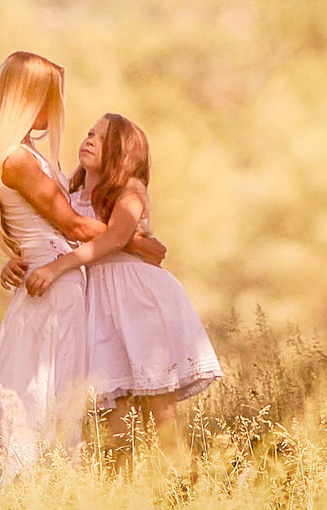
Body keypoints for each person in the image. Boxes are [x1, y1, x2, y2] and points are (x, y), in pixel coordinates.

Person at [0, 53, 164, 476]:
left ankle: (45, 483)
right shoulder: (17, 159)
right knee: (36, 389)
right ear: (30, 98)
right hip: (53, 284)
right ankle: (27, 480)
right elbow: (69, 224)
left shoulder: (30, 156)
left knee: (48, 388)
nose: (57, 108)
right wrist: (134, 241)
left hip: (59, 280)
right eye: (52, 97)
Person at [23, 113, 222, 468]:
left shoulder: (130, 190)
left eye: (103, 138)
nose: (90, 140)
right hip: (97, 306)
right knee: (114, 426)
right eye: (89, 133)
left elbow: (116, 237)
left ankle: (184, 488)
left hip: (136, 299)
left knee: (162, 422)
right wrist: (17, 258)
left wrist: (57, 267)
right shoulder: (70, 196)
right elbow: (45, 233)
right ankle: (123, 495)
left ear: (123, 152)